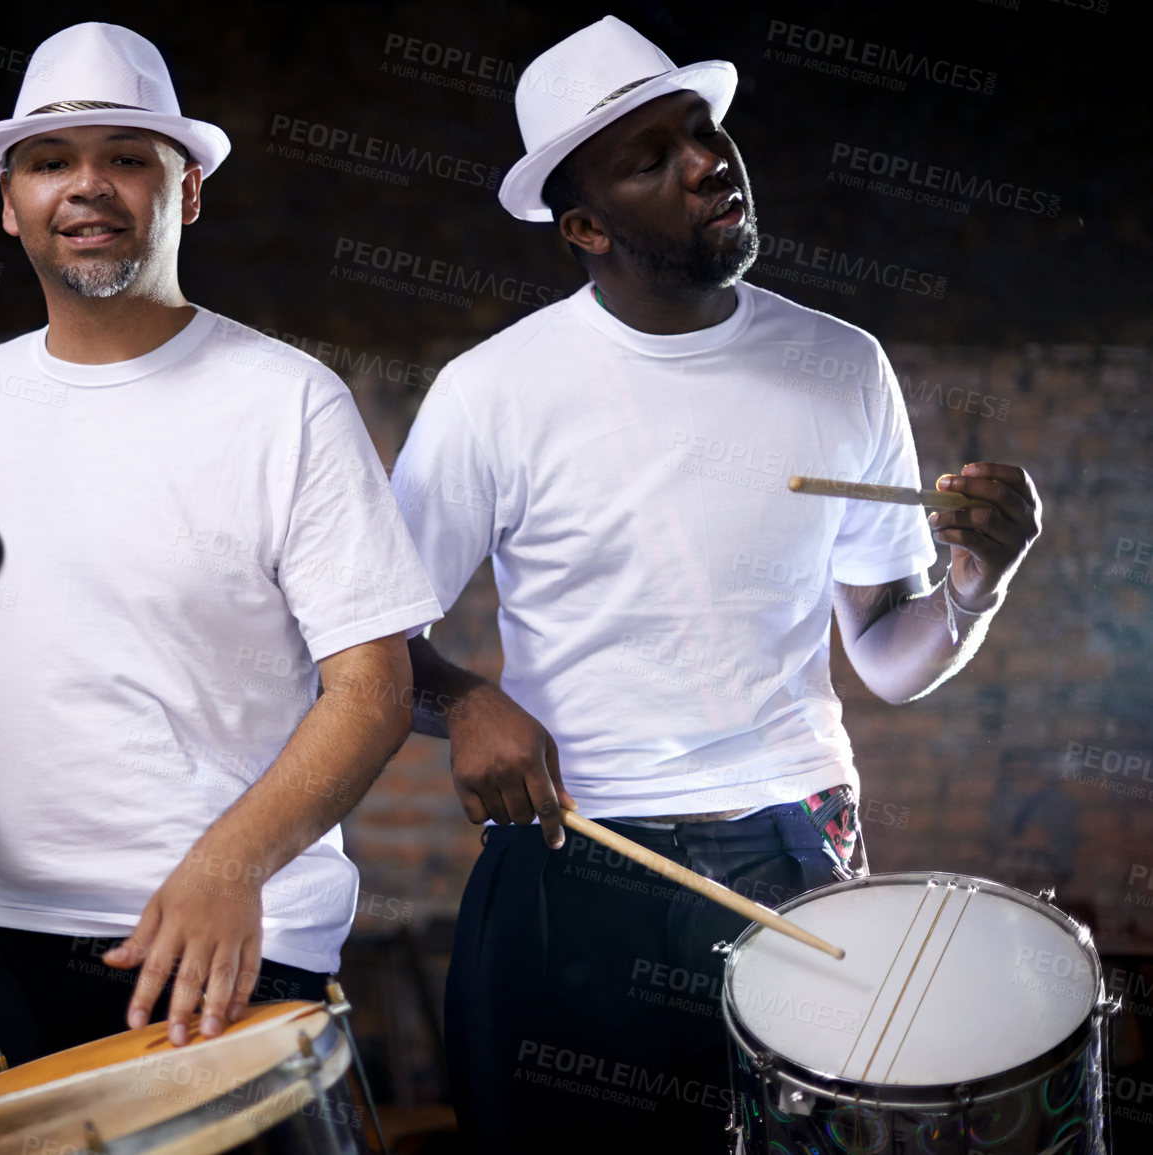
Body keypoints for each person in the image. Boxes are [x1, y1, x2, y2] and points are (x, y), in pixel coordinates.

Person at [389, 15, 1041, 1152]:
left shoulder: (840, 363)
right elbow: (366, 647)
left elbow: (885, 655)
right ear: (584, 225)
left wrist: (976, 586)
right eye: (654, 158)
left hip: (796, 841)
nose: (708, 161)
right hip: (581, 854)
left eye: (703, 130)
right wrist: (463, 701)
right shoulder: (492, 393)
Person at [0, 22, 442, 1116]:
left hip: (225, 932)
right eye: (51, 161)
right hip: (0, 924)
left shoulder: (288, 402)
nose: (88, 187)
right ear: (9, 199)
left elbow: (376, 688)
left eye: (128, 156)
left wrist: (231, 868)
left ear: (188, 191)